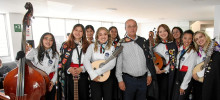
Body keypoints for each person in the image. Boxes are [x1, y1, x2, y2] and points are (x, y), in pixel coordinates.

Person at [116, 19, 155, 100]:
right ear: (125, 29)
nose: (132, 28)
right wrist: (120, 80)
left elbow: (148, 59)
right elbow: (118, 64)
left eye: (134, 26)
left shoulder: (143, 41)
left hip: (143, 79)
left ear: (136, 27)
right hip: (128, 80)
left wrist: (149, 74)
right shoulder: (121, 43)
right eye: (129, 26)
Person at [57, 24, 90, 100]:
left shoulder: (88, 45)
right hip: (70, 74)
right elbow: (62, 60)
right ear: (72, 31)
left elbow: (91, 60)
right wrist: (69, 69)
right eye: (76, 30)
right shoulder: (65, 45)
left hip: (84, 73)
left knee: (84, 95)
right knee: (71, 95)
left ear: (83, 33)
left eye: (80, 31)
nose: (78, 32)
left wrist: (82, 68)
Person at [83, 27, 116, 100]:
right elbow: (86, 60)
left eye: (105, 34)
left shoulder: (112, 47)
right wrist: (92, 74)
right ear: (97, 36)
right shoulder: (91, 46)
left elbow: (112, 63)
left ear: (108, 36)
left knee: (108, 97)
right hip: (94, 78)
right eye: (100, 34)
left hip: (107, 77)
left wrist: (97, 72)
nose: (103, 36)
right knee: (96, 97)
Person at [26, 32, 59, 100]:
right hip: (37, 82)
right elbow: (23, 63)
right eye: (46, 39)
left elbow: (57, 70)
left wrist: (52, 82)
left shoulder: (55, 54)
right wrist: (19, 58)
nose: (48, 41)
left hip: (50, 82)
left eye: (51, 40)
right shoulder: (34, 51)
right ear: (42, 40)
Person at [192, 31, 220, 100]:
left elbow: (210, 66)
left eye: (201, 37)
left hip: (213, 80)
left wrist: (198, 74)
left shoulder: (214, 48)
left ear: (205, 36)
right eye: (196, 39)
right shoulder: (201, 50)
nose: (199, 40)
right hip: (205, 81)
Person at [154, 24, 178, 100]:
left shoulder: (173, 45)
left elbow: (173, 61)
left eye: (164, 31)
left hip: (166, 73)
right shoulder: (156, 45)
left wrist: (164, 70)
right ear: (158, 33)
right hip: (156, 73)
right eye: (160, 31)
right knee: (156, 93)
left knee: (164, 94)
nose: (162, 33)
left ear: (168, 31)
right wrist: (155, 67)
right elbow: (153, 58)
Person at [172, 30, 197, 100]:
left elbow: (190, 71)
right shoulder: (180, 49)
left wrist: (183, 86)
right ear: (182, 38)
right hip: (178, 75)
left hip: (185, 76)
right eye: (185, 38)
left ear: (192, 40)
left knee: (181, 97)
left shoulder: (193, 52)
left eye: (190, 38)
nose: (187, 40)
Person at [109, 26, 122, 100]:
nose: (114, 33)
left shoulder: (120, 42)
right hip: (109, 68)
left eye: (115, 31)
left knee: (118, 86)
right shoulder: (106, 42)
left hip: (118, 66)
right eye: (112, 31)